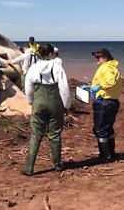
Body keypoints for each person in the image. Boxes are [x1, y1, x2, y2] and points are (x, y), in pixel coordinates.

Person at [22, 43, 71, 175]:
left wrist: (31, 102)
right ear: (50, 54)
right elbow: (64, 88)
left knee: (36, 134)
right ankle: (57, 165)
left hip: (39, 103)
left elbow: (28, 88)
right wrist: (66, 106)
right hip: (55, 102)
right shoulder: (57, 67)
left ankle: (29, 167)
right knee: (55, 134)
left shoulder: (33, 68)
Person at [82, 48, 121, 162]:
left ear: (106, 57)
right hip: (111, 101)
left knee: (100, 129)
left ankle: (105, 156)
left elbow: (110, 81)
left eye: (98, 57)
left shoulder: (107, 67)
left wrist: (98, 87)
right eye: (95, 57)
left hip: (105, 102)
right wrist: (92, 87)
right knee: (107, 128)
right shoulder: (110, 67)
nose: (96, 59)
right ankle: (111, 153)